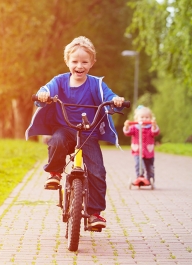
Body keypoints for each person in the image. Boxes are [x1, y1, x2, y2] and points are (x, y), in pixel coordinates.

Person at [25, 36, 125, 229]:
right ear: (67, 62)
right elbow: (46, 89)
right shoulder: (60, 81)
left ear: (92, 63)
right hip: (66, 129)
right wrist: (43, 94)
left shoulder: (96, 84)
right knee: (56, 140)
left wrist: (116, 100)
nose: (79, 66)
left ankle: (94, 213)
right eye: (75, 61)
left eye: (84, 62)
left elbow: (109, 96)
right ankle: (54, 173)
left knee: (97, 171)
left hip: (89, 134)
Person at [123, 106, 160, 184]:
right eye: (142, 117)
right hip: (137, 151)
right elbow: (127, 133)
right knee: (139, 164)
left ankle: (150, 179)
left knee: (150, 167)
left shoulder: (150, 128)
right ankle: (140, 177)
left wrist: (154, 125)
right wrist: (126, 126)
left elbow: (155, 132)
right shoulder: (134, 127)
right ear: (136, 119)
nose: (144, 119)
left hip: (148, 153)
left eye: (147, 117)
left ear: (150, 118)